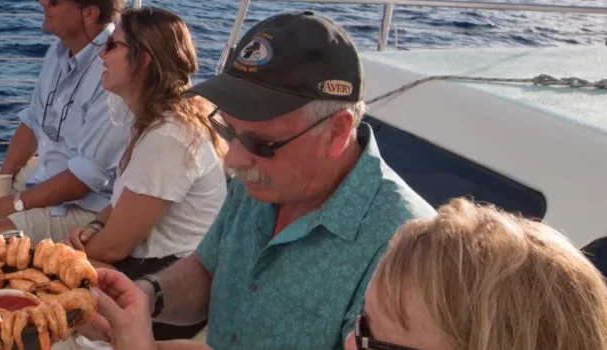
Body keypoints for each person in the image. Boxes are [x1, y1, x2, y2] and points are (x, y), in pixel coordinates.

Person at [86, 11, 438, 349]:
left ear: (336, 132)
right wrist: (147, 296)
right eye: (227, 129)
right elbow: (207, 271)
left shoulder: (406, 250)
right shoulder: (260, 178)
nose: (233, 158)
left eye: (259, 142)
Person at [92, 198, 607, 350]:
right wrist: (148, 300)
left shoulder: (387, 221)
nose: (345, 343)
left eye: (370, 342)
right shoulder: (255, 188)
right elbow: (207, 268)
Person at [61, 6, 226, 340]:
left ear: (144, 59)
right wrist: (94, 225)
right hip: (152, 266)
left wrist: (68, 251)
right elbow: (124, 201)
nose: (101, 54)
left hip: (166, 287)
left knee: (48, 282)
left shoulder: (170, 136)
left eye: (113, 46)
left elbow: (113, 250)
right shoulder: (161, 121)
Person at [0, 0, 132, 243]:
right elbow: (33, 123)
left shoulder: (111, 70)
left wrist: (15, 203)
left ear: (90, 13)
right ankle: (12, 261)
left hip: (90, 203)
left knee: (0, 233)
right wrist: (3, 181)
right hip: (50, 174)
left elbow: (86, 178)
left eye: (54, 1)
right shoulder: (57, 52)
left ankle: (17, 264)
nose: (42, 2)